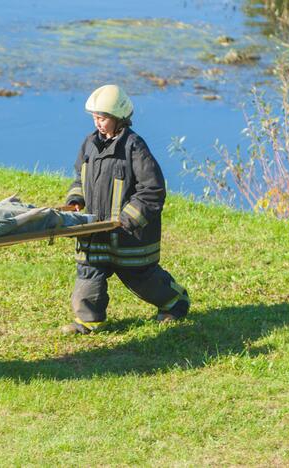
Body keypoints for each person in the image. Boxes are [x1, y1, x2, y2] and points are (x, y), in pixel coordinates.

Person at [61, 84, 190, 335]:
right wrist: (76, 199)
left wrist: (128, 219)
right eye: (95, 118)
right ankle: (89, 321)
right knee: (88, 273)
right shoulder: (89, 144)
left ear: (120, 118)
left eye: (103, 118)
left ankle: (176, 302)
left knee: (141, 278)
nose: (98, 123)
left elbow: (152, 190)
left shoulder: (134, 147)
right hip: (95, 230)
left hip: (129, 235)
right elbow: (79, 177)